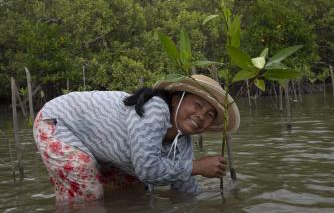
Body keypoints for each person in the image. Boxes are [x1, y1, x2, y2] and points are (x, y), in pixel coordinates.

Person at [33, 74, 240, 203]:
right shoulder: (155, 108)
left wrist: (216, 203)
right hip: (59, 121)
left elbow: (185, 188)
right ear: (177, 100)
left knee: (135, 191)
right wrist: (197, 167)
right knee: (88, 197)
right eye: (197, 105)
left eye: (210, 114)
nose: (201, 116)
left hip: (101, 145)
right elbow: (148, 169)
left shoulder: (182, 141)